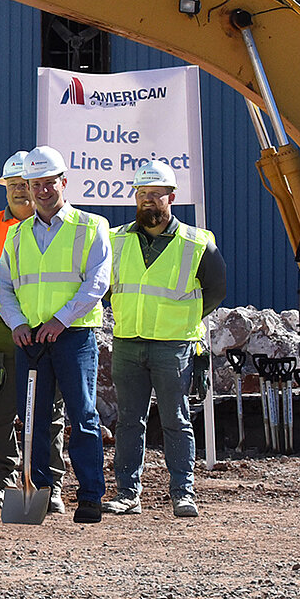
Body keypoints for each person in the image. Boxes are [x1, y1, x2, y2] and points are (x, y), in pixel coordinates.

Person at [0, 145, 112, 524]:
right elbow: (4, 286)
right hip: (31, 339)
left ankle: (90, 496)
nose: (43, 191)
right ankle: (39, 493)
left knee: (83, 416)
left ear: (64, 182)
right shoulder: (17, 235)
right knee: (32, 418)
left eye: (49, 183)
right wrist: (17, 323)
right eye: (36, 184)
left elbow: (97, 282)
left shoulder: (91, 226)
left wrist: (61, 320)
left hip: (73, 335)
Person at [106, 160, 228, 519]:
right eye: (141, 193)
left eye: (155, 194)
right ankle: (128, 494)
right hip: (128, 341)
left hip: (174, 345)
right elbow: (103, 287)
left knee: (176, 419)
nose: (147, 200)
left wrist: (184, 320)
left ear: (171, 197)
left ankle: (183, 493)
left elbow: (216, 290)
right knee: (129, 421)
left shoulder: (197, 243)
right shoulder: (114, 239)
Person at [0, 151, 68, 511]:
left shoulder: (59, 228)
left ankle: (49, 484)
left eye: (25, 184)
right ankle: (5, 480)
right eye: (13, 185)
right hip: (1, 330)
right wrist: (13, 308)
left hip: (47, 330)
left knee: (48, 411)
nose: (20, 191)